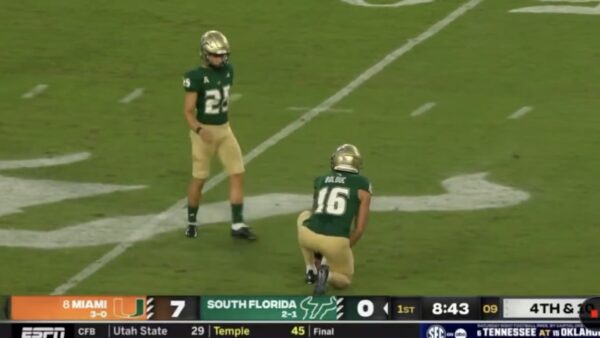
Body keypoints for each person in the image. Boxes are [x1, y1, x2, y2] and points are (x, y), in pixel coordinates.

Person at [182, 30, 256, 241]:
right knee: (200, 178)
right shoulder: (195, 77)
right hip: (203, 132)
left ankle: (237, 224)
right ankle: (191, 221)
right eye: (215, 55)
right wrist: (199, 129)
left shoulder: (228, 70)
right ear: (205, 55)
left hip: (225, 129)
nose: (220, 58)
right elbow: (188, 111)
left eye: (222, 54)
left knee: (237, 173)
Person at [297, 144, 372, 295]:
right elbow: (359, 229)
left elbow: (315, 210)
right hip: (336, 242)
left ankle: (310, 268)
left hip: (308, 236)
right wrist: (343, 248)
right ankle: (326, 276)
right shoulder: (363, 184)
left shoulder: (321, 179)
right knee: (344, 278)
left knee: (304, 217)